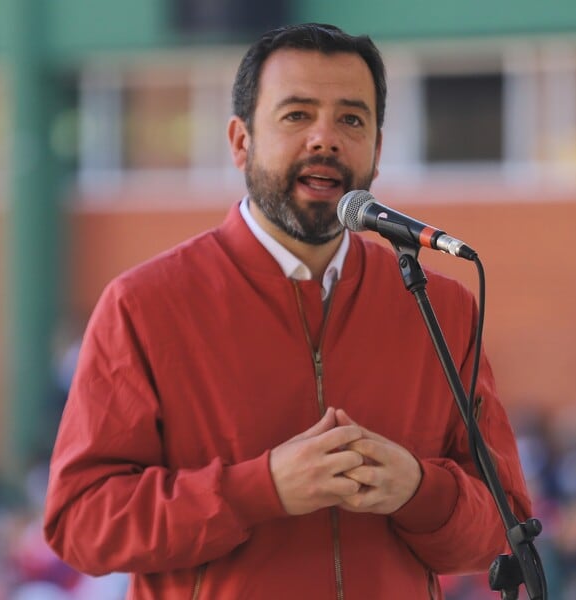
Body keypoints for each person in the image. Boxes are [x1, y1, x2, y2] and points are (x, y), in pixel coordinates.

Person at [44, 22, 532, 599]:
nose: (325, 139)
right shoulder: (145, 306)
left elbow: (505, 531)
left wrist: (419, 491)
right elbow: (81, 522)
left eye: (351, 120)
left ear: (376, 150)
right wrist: (259, 489)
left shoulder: (440, 306)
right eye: (297, 115)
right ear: (240, 142)